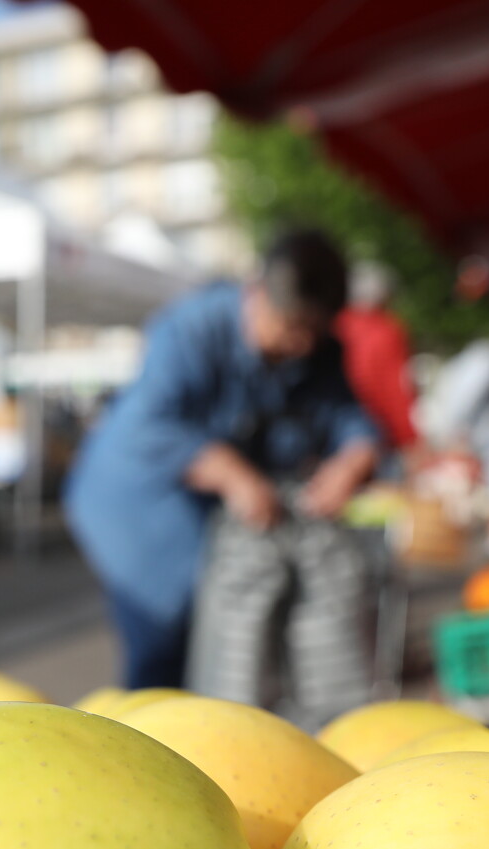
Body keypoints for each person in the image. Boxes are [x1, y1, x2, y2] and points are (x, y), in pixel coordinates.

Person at [64, 229, 379, 694]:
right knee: (162, 651)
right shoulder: (190, 329)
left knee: (233, 654)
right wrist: (231, 473)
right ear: (255, 291)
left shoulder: (319, 352)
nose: (299, 347)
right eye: (289, 327)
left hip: (225, 529)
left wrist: (352, 463)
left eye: (311, 334)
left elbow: (351, 422)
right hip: (141, 515)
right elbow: (151, 425)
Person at [333, 261, 420, 455]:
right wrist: (411, 440)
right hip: (382, 433)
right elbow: (397, 388)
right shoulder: (388, 331)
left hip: (339, 435)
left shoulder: (337, 326)